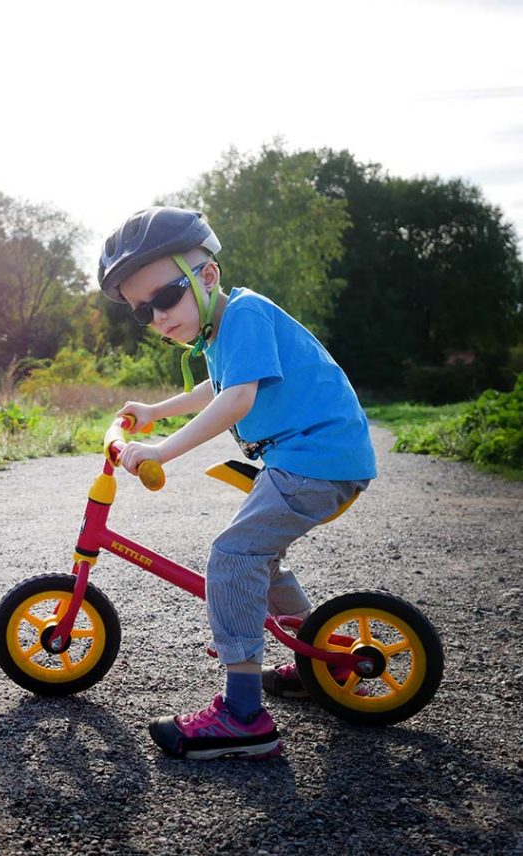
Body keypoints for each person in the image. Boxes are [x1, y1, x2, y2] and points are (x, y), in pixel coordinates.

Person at [98, 206, 376, 761]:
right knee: (259, 556)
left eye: (165, 298)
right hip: (309, 460)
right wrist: (157, 410)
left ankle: (243, 715)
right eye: (141, 311)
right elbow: (215, 386)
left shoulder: (246, 314)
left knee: (232, 555)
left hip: (315, 460)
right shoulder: (222, 331)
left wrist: (162, 449)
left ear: (206, 277)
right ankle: (316, 659)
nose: (156, 317)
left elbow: (236, 399)